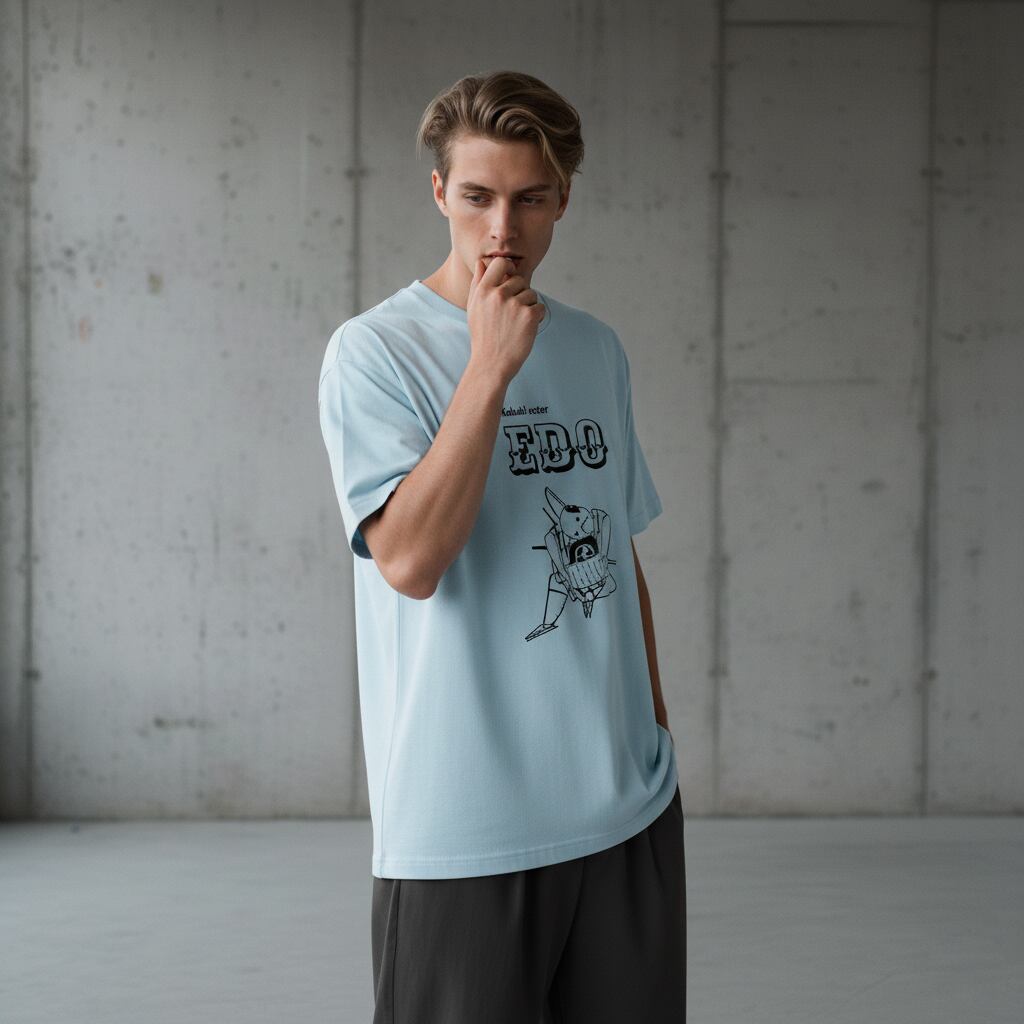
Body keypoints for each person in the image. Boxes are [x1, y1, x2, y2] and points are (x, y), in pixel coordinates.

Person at [318, 69, 686, 1023]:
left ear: (563, 199)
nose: (501, 229)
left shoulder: (595, 349)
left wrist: (652, 734)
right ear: (440, 192)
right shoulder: (374, 352)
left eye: (529, 199)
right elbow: (409, 563)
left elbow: (619, 550)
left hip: (627, 810)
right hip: (463, 830)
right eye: (478, 196)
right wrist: (487, 368)